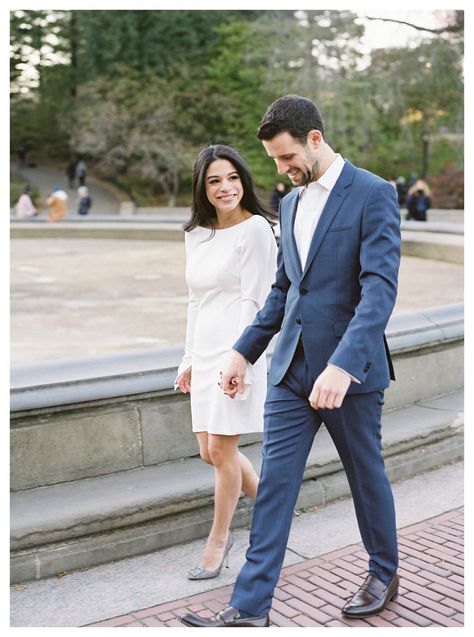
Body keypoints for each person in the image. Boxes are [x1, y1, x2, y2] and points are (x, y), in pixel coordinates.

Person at [180, 95, 401, 627]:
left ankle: (384, 573)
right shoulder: (293, 204)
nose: (281, 170)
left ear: (315, 139)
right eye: (276, 161)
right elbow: (284, 290)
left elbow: (379, 292)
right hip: (289, 372)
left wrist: (343, 366)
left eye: (286, 158)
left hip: (350, 376)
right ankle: (250, 606)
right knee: (275, 484)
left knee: (365, 476)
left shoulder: (373, 194)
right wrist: (241, 352)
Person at [174, 144, 278, 581]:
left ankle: (219, 542)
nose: (225, 187)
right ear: (202, 186)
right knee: (210, 453)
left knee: (222, 450)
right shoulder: (196, 234)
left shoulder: (256, 229)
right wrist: (188, 358)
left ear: (244, 181)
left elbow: (258, 301)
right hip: (205, 349)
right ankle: (278, 518)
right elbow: (196, 301)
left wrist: (244, 361)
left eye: (232, 177)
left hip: (239, 348)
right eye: (215, 180)